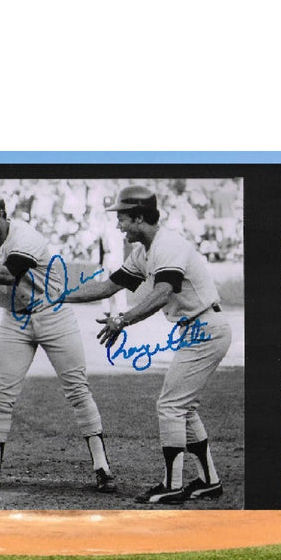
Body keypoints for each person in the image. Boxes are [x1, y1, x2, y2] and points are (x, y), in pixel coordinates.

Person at [0, 190, 117, 496]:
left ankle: (102, 467)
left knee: (76, 388)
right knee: (2, 393)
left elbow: (9, 274)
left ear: (1, 215)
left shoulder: (25, 236)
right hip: (14, 318)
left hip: (53, 312)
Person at [61, 185, 232, 505]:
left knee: (170, 406)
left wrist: (123, 319)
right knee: (184, 407)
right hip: (196, 328)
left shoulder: (169, 245)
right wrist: (61, 298)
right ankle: (209, 480)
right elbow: (109, 287)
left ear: (140, 217)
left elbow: (164, 291)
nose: (118, 225)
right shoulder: (144, 252)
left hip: (206, 327)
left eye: (122, 218)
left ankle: (172, 484)